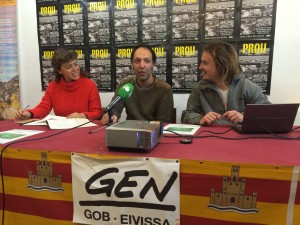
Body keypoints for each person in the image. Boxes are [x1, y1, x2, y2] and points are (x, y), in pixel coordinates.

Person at [181, 41, 270, 125]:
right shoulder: (199, 88)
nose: (200, 67)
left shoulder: (248, 87)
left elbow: (269, 115)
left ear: (222, 65)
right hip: (210, 138)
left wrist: (244, 117)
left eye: (205, 63)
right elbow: (186, 115)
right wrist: (200, 119)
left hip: (240, 139)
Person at [15, 48, 102, 121]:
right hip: (61, 130)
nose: (75, 69)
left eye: (75, 64)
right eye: (69, 67)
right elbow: (43, 108)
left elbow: (97, 112)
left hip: (84, 131)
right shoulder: (53, 86)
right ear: (59, 71)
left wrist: (82, 115)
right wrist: (29, 113)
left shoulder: (89, 85)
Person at [101, 43, 174, 125]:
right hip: (130, 133)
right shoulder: (125, 84)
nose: (142, 65)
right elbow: (115, 110)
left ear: (153, 65)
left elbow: (163, 123)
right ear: (132, 65)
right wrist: (111, 117)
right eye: (137, 61)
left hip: (153, 134)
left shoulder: (164, 89)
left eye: (147, 61)